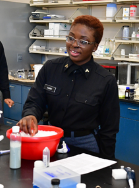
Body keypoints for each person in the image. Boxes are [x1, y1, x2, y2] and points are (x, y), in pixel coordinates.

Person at [18, 15, 120, 158]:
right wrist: (30, 115)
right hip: (52, 139)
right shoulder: (50, 68)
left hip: (85, 144)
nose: (74, 44)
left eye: (83, 41)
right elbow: (35, 101)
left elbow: (109, 129)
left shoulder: (105, 80)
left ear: (95, 46)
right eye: (71, 38)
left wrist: (108, 163)